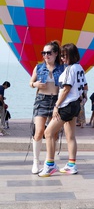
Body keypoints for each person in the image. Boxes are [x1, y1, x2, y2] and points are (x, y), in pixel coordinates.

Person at [39, 43, 87, 177]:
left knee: (48, 133)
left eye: (65, 55)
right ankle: (71, 165)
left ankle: (50, 164)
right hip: (75, 104)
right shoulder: (80, 68)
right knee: (70, 136)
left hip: (66, 105)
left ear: (71, 55)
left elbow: (66, 89)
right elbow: (84, 87)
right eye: (62, 55)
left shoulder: (70, 69)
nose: (63, 58)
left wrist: (56, 106)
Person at [29, 41, 65, 174]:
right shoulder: (38, 67)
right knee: (39, 131)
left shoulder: (62, 68)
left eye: (48, 53)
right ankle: (35, 161)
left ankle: (49, 160)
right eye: (43, 53)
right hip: (42, 100)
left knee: (53, 133)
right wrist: (36, 84)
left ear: (56, 53)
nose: (46, 55)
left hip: (56, 101)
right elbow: (31, 82)